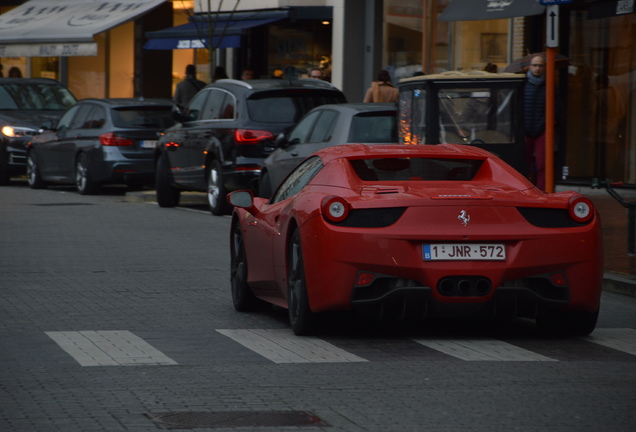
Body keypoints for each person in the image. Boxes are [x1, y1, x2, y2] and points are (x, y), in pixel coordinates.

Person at [524, 55, 548, 191]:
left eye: (540, 65)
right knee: (524, 164)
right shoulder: (523, 84)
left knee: (541, 165)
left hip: (542, 130)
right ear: (530, 66)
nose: (537, 68)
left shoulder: (549, 86)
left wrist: (543, 124)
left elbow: (556, 109)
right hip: (525, 130)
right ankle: (526, 191)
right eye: (535, 65)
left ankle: (542, 192)